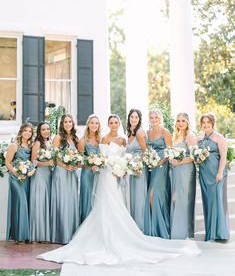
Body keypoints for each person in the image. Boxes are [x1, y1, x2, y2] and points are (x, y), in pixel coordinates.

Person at [38, 114, 199, 268]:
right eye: (111, 122)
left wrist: (122, 168)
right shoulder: (103, 139)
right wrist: (98, 163)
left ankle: (119, 235)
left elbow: (126, 156)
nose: (114, 125)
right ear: (107, 124)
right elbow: (96, 156)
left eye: (116, 122)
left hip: (116, 175)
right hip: (104, 175)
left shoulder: (123, 140)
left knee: (116, 203)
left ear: (119, 124)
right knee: (102, 204)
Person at [198, 113, 229, 241]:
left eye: (208, 122)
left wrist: (220, 172)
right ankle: (210, 232)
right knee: (208, 202)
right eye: (203, 122)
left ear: (212, 123)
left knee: (217, 201)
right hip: (204, 174)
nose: (205, 125)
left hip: (216, 174)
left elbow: (223, 156)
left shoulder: (219, 137)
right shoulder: (200, 138)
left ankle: (219, 233)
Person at [50, 114, 80, 244]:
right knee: (62, 200)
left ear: (73, 123)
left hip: (72, 173)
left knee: (71, 200)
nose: (68, 124)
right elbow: (54, 158)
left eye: (70, 121)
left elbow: (79, 156)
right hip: (61, 172)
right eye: (65, 122)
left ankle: (72, 233)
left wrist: (75, 164)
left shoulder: (74, 138)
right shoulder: (57, 138)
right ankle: (62, 235)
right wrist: (65, 166)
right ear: (62, 124)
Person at [144, 108, 172, 238]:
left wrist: (161, 162)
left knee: (153, 195)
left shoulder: (165, 131)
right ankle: (155, 228)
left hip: (162, 166)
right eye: (151, 118)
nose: (154, 120)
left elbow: (170, 151)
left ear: (160, 118)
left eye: (156, 117)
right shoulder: (147, 132)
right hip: (153, 167)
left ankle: (161, 228)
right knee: (153, 196)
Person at [5, 123, 34, 243]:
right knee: (20, 202)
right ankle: (18, 235)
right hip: (15, 178)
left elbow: (32, 162)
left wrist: (29, 171)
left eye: (30, 131)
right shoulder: (14, 145)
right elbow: (7, 162)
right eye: (25, 130)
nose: (27, 133)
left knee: (25, 203)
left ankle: (23, 235)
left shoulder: (30, 146)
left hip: (26, 178)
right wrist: (17, 174)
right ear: (21, 131)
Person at [170, 113, 197, 239]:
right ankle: (177, 230)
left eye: (183, 121)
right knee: (175, 198)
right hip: (175, 171)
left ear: (187, 122)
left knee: (183, 199)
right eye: (178, 120)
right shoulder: (175, 136)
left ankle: (183, 232)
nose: (180, 123)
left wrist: (178, 162)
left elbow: (193, 156)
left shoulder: (189, 136)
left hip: (186, 171)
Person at [30, 122, 54, 242]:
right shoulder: (37, 143)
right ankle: (38, 234)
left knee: (47, 203)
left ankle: (46, 234)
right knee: (40, 203)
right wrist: (47, 163)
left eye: (48, 129)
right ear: (39, 131)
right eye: (43, 129)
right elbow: (33, 161)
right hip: (40, 175)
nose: (46, 131)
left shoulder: (50, 142)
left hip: (49, 175)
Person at [126, 109, 148, 232]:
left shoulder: (139, 132)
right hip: (131, 169)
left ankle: (140, 228)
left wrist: (138, 165)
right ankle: (134, 227)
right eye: (132, 117)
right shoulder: (129, 133)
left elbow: (146, 151)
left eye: (136, 117)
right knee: (133, 197)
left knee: (139, 197)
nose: (133, 119)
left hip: (139, 169)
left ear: (139, 120)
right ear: (129, 118)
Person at [78, 114, 101, 223]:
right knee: (87, 197)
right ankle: (86, 224)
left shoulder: (101, 139)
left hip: (98, 174)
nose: (94, 125)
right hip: (87, 173)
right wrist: (90, 164)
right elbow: (79, 161)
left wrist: (99, 163)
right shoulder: (83, 141)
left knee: (97, 198)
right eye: (92, 123)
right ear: (88, 124)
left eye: (96, 123)